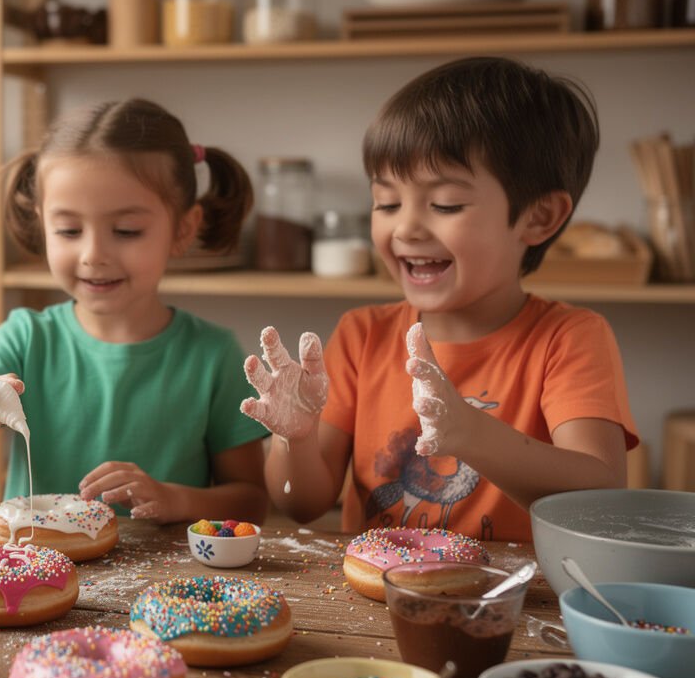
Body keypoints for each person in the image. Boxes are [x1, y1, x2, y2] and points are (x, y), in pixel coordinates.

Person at [241, 57, 638, 543]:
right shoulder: (362, 336)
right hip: (378, 605)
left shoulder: (568, 339)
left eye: (445, 204)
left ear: (539, 217)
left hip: (517, 609)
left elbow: (599, 496)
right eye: (386, 202)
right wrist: (295, 439)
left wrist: (470, 432)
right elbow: (300, 503)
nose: (405, 227)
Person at [0, 98, 270, 524]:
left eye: (126, 231)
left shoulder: (213, 355)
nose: (93, 254)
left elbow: (252, 502)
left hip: (164, 585)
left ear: (183, 228)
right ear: (43, 224)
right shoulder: (24, 340)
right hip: (33, 577)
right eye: (69, 230)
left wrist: (176, 500)